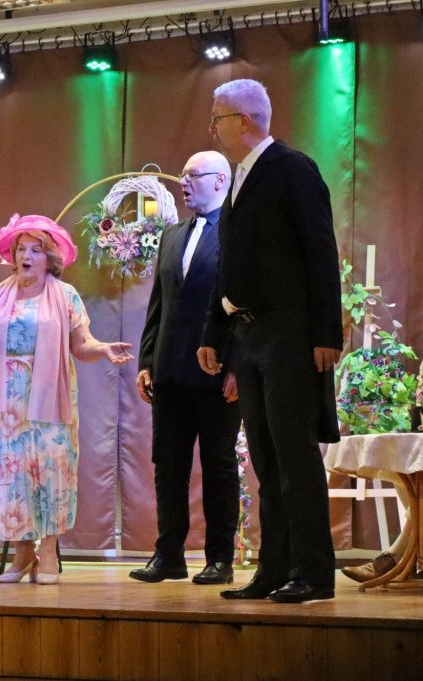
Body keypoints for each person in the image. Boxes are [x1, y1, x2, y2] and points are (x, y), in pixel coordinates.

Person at [198, 79, 342, 603]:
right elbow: (229, 266)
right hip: (249, 333)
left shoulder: (292, 168)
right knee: (264, 456)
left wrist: (325, 332)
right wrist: (215, 333)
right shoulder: (240, 177)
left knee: (293, 455)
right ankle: (273, 567)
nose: (211, 127)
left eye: (217, 117)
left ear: (245, 121)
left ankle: (313, 572)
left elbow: (320, 251)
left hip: (290, 331)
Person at [0, 214, 134, 584]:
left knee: (48, 469)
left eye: (35, 250)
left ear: (50, 257)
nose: (26, 256)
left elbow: (82, 344)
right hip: (2, 401)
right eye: (20, 249)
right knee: (11, 475)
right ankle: (23, 553)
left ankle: (47, 550)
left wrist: (103, 349)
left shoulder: (65, 295)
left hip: (47, 395)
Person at [130, 151, 242, 586]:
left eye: (193, 175)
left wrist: (236, 366)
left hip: (217, 373)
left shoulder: (236, 231)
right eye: (183, 175)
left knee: (218, 466)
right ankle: (169, 555)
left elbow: (241, 306)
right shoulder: (172, 234)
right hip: (170, 371)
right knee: (168, 465)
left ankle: (220, 559)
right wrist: (147, 361)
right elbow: (159, 304)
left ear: (220, 181)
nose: (184, 182)